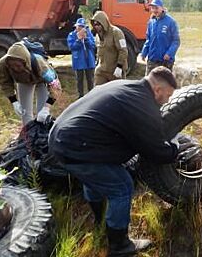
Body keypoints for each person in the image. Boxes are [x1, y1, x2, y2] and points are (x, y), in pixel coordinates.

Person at [48, 67, 180, 256]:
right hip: (74, 146)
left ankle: (100, 221)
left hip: (60, 138)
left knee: (97, 178)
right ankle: (119, 245)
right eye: (167, 95)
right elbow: (156, 152)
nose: (167, 100)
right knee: (121, 186)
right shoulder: (141, 105)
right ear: (158, 90)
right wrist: (174, 147)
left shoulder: (124, 85)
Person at [0, 40, 61, 126]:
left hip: (42, 81)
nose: (15, 68)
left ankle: (42, 135)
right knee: (25, 113)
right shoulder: (3, 64)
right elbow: (5, 83)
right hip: (23, 81)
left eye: (18, 66)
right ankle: (28, 135)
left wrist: (46, 107)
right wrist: (14, 101)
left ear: (25, 62)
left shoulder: (39, 63)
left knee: (42, 115)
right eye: (12, 66)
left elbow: (55, 86)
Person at [140, 0, 180, 74]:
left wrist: (169, 53)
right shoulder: (151, 22)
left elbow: (176, 41)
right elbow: (148, 39)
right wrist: (144, 52)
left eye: (156, 8)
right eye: (152, 8)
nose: (154, 10)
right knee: (149, 83)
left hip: (165, 61)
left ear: (162, 8)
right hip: (152, 60)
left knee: (164, 84)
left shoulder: (171, 22)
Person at [91, 11, 128, 85]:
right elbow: (99, 50)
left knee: (116, 94)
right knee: (98, 92)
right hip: (102, 70)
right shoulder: (98, 35)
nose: (97, 27)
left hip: (115, 70)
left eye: (99, 24)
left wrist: (119, 66)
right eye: (95, 24)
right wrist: (97, 62)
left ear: (104, 22)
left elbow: (123, 50)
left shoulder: (116, 32)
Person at [67, 18, 96, 98]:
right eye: (79, 26)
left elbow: (93, 46)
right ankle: (81, 95)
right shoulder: (72, 35)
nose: (80, 28)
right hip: (78, 60)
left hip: (89, 60)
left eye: (82, 26)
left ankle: (91, 95)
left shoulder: (89, 34)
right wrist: (78, 40)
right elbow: (72, 47)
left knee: (90, 78)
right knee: (79, 79)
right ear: (76, 27)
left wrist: (86, 39)